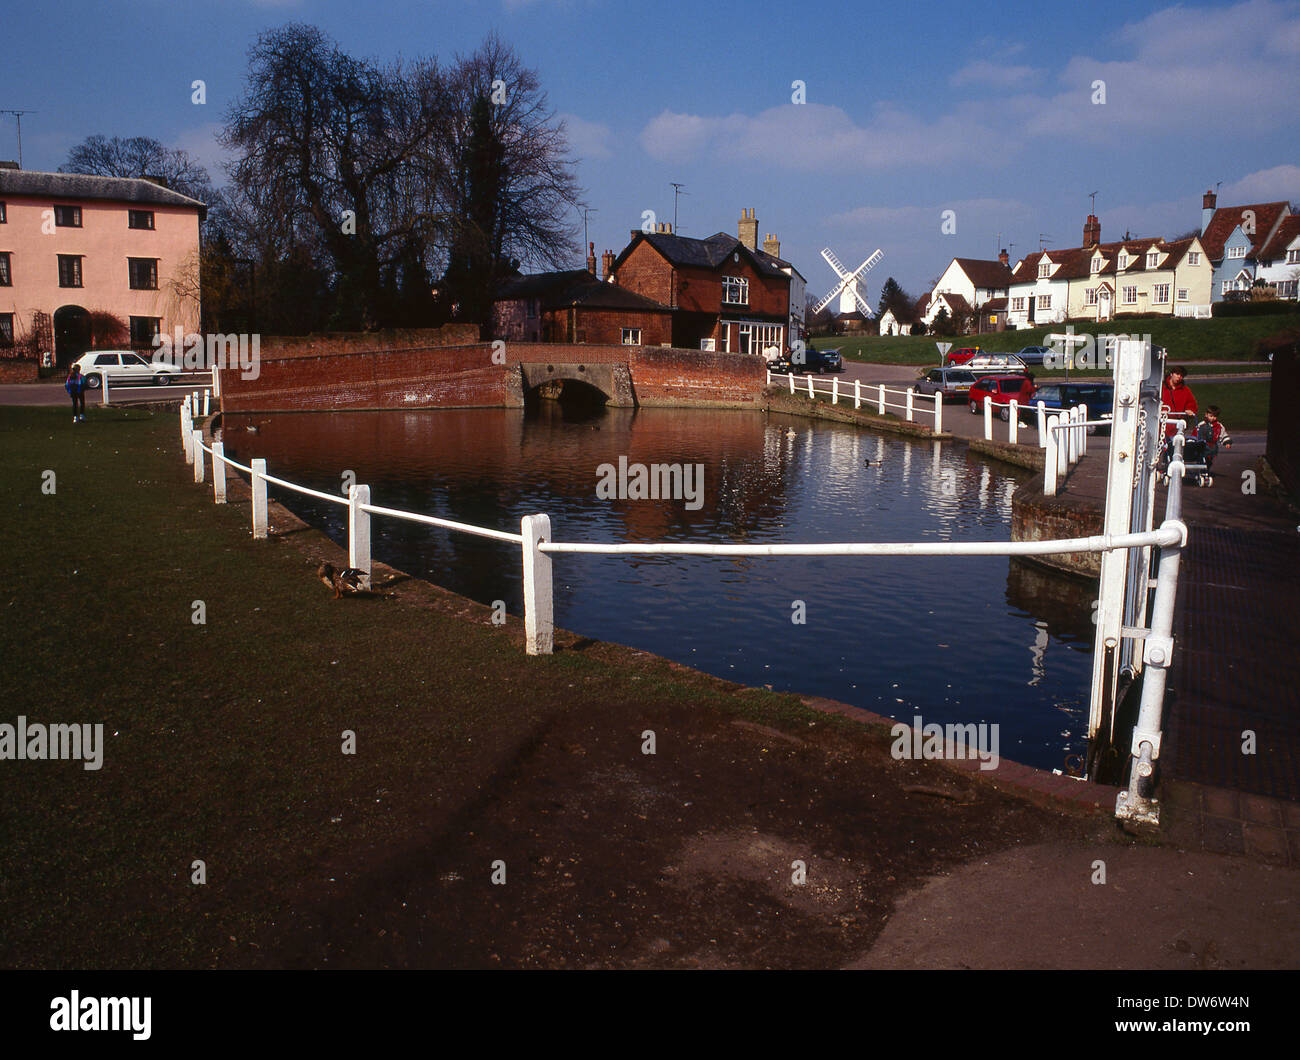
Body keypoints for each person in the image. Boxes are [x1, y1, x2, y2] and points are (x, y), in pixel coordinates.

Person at [1161, 365, 1197, 463]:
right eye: (1177, 374)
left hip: (1177, 426)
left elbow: (1192, 404)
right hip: (1162, 424)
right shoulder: (1161, 387)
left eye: (1181, 376)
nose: (1179, 377)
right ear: (1171, 374)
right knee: (1160, 448)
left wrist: (1190, 410)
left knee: (1175, 448)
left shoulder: (1185, 390)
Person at [1195, 405, 1232, 478]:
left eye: (1215, 416)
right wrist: (1195, 441)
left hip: (1212, 447)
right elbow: (1196, 434)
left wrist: (1226, 442)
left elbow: (1223, 434)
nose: (1213, 418)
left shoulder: (1219, 426)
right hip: (1202, 446)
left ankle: (1206, 470)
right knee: (1202, 459)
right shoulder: (1202, 425)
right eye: (1211, 416)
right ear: (1206, 415)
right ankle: (1201, 471)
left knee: (1209, 460)